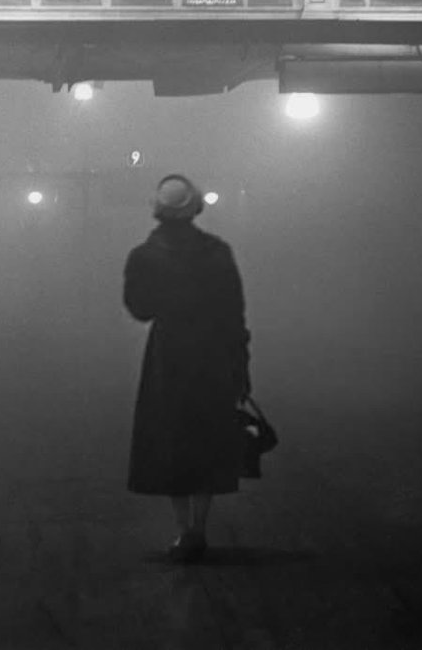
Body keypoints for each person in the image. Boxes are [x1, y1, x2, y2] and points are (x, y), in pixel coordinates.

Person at [123, 174, 251, 563]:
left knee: (170, 437)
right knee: (206, 434)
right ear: (195, 208)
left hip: (169, 354)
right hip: (212, 351)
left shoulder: (143, 255)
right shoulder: (217, 251)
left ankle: (183, 531)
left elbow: (139, 309)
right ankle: (200, 524)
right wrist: (241, 365)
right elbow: (234, 312)